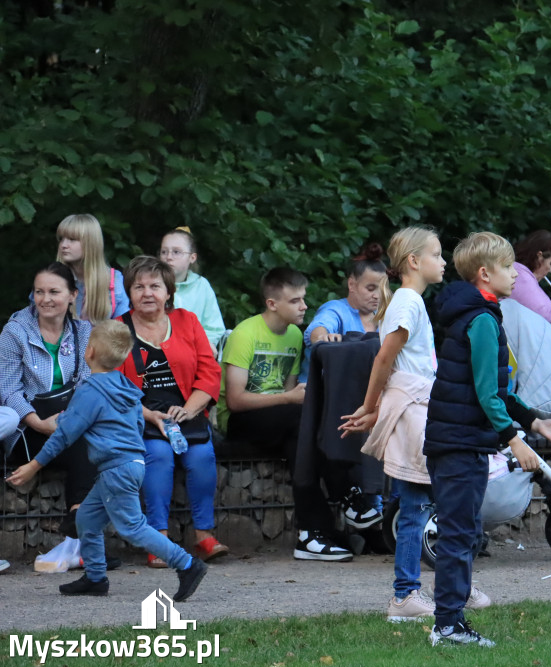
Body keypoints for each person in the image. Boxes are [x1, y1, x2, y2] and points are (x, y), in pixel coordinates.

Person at [423, 231, 551, 647]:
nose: (516, 274)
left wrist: (536, 422)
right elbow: (486, 395)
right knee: (458, 535)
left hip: (459, 441)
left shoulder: (478, 314)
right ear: (486, 274)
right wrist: (516, 440)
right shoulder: (482, 321)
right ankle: (448, 625)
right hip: (459, 442)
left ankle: (450, 621)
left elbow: (499, 391)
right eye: (509, 268)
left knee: (464, 532)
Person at [342, 227, 491, 622]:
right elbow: (384, 359)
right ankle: (405, 594)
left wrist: (375, 408)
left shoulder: (410, 302)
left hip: (419, 408)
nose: (443, 262)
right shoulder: (408, 302)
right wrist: (371, 405)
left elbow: (400, 365)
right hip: (415, 412)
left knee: (434, 502)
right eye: (437, 255)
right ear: (414, 261)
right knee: (416, 505)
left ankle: (450, 583)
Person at [6, 320, 208, 600]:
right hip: (130, 464)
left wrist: (32, 465)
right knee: (87, 519)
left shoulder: (89, 391)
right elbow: (130, 423)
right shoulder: (125, 385)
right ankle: (95, 577)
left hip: (116, 468)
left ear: (88, 352)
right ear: (124, 356)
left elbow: (63, 437)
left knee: (133, 527)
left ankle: (187, 565)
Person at [217, 267, 352, 561]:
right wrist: (290, 398)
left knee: (301, 441)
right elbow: (236, 400)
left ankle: (312, 535)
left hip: (280, 420)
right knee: (301, 423)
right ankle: (348, 498)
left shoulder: (294, 334)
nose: (304, 306)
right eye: (295, 301)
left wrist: (292, 398)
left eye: (303, 299)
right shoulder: (245, 334)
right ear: (272, 304)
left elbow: (289, 394)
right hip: (241, 420)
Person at [115, 256, 227, 568]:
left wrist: (190, 410)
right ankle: (158, 539)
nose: (147, 292)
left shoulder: (187, 321)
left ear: (168, 292)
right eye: (139, 287)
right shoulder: (118, 329)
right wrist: (146, 414)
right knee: (158, 456)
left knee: (202, 456)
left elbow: (209, 371)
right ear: (129, 292)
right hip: (141, 417)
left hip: (185, 414)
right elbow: (111, 384)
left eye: (155, 286)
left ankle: (204, 535)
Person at [2, 263, 98, 550]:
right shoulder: (14, 332)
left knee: (91, 443)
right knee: (85, 444)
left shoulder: (84, 332)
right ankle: (81, 532)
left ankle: (79, 529)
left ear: (72, 295)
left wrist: (73, 419)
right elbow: (8, 390)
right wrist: (40, 423)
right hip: (26, 427)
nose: (45, 299)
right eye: (39, 292)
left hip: (70, 421)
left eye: (54, 291)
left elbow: (87, 382)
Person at [299, 244, 387, 383]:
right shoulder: (335, 309)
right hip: (318, 394)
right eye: (371, 289)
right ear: (351, 285)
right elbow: (318, 330)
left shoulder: (383, 317)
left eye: (382, 289)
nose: (377, 295)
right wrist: (324, 337)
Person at [159, 227, 226, 354]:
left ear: (192, 258)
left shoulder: (202, 286)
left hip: (194, 353)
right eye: (164, 252)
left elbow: (214, 328)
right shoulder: (151, 284)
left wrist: (203, 347)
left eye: (176, 252)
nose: (168, 257)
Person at [52, 214, 129, 321]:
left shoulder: (113, 280)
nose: (63, 245)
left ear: (90, 243)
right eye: (61, 239)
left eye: (72, 239)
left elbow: (124, 329)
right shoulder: (49, 280)